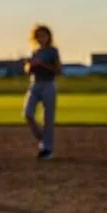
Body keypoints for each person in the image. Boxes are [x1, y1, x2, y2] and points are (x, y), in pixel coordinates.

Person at [23, 23, 62, 160]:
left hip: (48, 84)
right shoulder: (35, 52)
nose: (41, 38)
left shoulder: (53, 51)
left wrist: (42, 65)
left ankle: (47, 149)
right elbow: (28, 71)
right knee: (28, 113)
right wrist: (30, 66)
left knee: (48, 118)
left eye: (43, 35)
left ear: (49, 37)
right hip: (35, 84)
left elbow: (58, 71)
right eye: (38, 36)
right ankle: (43, 139)